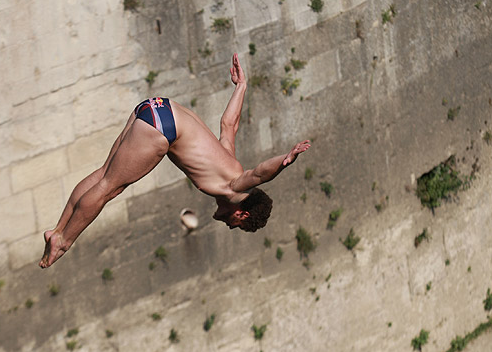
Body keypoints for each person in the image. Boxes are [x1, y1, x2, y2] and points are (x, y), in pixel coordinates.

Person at [39, 53, 310, 267]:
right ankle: (63, 242)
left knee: (103, 176)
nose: (227, 224)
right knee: (110, 187)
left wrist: (241, 87)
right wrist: (284, 161)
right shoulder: (234, 186)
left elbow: (229, 125)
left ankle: (58, 229)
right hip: (162, 129)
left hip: (158, 107)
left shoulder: (230, 164)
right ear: (242, 213)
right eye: (234, 224)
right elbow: (261, 173)